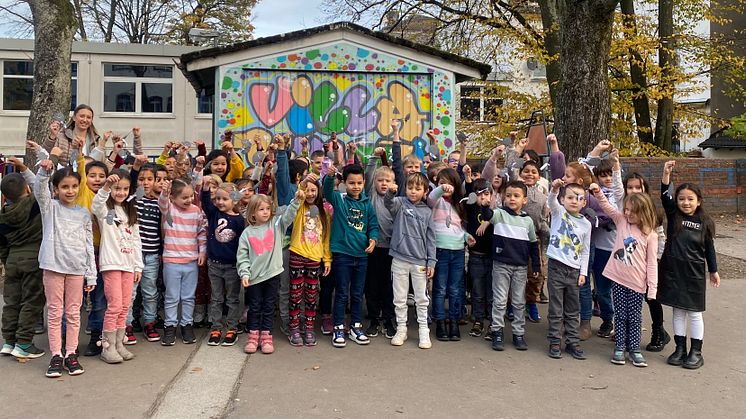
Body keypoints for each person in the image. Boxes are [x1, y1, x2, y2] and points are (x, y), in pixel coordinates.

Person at [34, 160, 97, 376]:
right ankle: (56, 355)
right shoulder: (50, 208)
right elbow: (39, 189)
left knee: (73, 313)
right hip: (53, 266)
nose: (70, 191)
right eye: (64, 187)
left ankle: (71, 353)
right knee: (54, 312)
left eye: (73, 186)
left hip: (77, 269)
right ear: (56, 189)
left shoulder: (84, 214)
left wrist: (91, 275)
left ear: (79, 187)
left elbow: (89, 244)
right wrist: (44, 170)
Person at [657, 161, 720, 370]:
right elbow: (665, 195)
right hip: (673, 272)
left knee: (694, 313)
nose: (685, 203)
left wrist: (714, 271)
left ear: (699, 201)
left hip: (694, 274)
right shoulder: (674, 216)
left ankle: (696, 352)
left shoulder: (705, 223)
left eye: (690, 199)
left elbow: (709, 249)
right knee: (677, 312)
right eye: (681, 199)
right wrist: (666, 174)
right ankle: (680, 348)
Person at [590, 183, 658, 367]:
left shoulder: (650, 234)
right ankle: (620, 346)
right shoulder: (621, 221)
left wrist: (652, 289)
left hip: (637, 283)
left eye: (632, 211)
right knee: (620, 315)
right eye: (626, 210)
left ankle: (634, 349)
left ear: (643, 212)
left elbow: (652, 264)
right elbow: (608, 207)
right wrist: (597, 193)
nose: (627, 214)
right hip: (618, 279)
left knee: (635, 317)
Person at [476, 181, 540, 351]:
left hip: (520, 267)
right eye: (509, 195)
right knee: (499, 300)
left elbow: (534, 244)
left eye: (516, 196)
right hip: (501, 265)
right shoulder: (499, 214)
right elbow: (488, 215)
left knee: (519, 301)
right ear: (504, 197)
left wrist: (536, 266)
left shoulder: (528, 221)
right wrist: (484, 206)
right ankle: (497, 331)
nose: (512, 199)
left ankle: (518, 333)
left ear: (524, 200)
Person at [237, 192, 302, 354]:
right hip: (254, 279)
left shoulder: (276, 225)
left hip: (272, 275)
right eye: (261, 209)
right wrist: (244, 273)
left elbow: (288, 216)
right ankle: (253, 336)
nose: (265, 212)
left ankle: (266, 336)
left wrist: (297, 200)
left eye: (267, 208)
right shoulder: (247, 233)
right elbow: (243, 256)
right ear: (252, 213)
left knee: (269, 307)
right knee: (255, 307)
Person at [323, 163, 379, 348]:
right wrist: (330, 177)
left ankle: (356, 326)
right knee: (341, 293)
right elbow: (327, 192)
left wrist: (373, 239)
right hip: (343, 256)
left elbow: (373, 225)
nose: (356, 186)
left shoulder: (367, 204)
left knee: (357, 294)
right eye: (352, 183)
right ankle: (338, 327)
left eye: (359, 183)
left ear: (364, 183)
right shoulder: (339, 199)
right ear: (345, 183)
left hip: (361, 257)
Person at [91, 170, 143, 364]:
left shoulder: (130, 211)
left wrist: (138, 266)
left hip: (129, 265)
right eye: (116, 188)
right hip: (112, 263)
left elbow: (136, 240)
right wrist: (105, 187)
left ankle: (119, 343)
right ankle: (108, 347)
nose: (120, 192)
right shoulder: (106, 208)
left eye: (125, 189)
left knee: (124, 305)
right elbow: (96, 205)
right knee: (113, 306)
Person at [384, 173, 436, 349]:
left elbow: (431, 239)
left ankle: (423, 331)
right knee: (399, 297)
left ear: (425, 191)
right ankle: (401, 329)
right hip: (399, 258)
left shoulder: (428, 212)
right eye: (410, 187)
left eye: (418, 188)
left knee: (421, 298)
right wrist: (390, 193)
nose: (413, 191)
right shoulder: (399, 203)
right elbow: (388, 203)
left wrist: (431, 262)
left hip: (420, 262)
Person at [0, 159, 45, 360]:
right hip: (33, 259)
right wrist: (49, 160)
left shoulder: (2, 215)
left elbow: (2, 246)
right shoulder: (33, 204)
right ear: (27, 188)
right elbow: (43, 184)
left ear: (4, 196)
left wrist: (6, 261)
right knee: (31, 302)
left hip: (12, 262)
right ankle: (24, 343)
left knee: (12, 302)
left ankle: (9, 342)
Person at [546, 179, 592, 360]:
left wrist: (583, 272)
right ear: (563, 200)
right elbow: (551, 201)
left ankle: (573, 342)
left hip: (574, 271)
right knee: (556, 309)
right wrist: (555, 188)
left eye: (579, 198)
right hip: (556, 267)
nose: (574, 201)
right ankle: (555, 341)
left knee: (573, 310)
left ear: (584, 203)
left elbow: (586, 250)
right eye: (570, 197)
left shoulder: (586, 224)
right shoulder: (559, 213)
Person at [159, 179, 207, 346]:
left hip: (191, 261)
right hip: (172, 261)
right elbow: (162, 203)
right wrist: (165, 192)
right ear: (173, 198)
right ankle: (170, 325)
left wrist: (202, 252)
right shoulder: (169, 210)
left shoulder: (196, 211)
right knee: (172, 296)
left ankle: (187, 324)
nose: (189, 200)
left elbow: (201, 232)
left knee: (188, 296)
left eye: (190, 196)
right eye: (184, 197)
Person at [427, 167, 473, 341]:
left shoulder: (459, 204)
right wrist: (440, 189)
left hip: (458, 251)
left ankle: (453, 321)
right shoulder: (436, 200)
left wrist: (467, 237)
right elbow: (431, 198)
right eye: (441, 182)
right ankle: (440, 322)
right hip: (440, 250)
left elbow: (459, 228)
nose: (445, 186)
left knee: (455, 289)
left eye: (448, 183)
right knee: (439, 289)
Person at [287, 175, 332, 346]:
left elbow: (326, 238)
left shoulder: (324, 212)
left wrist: (327, 259)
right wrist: (303, 184)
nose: (310, 193)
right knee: (295, 295)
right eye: (308, 190)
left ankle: (309, 327)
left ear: (319, 191)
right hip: (297, 254)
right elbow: (297, 195)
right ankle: (294, 328)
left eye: (314, 190)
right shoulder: (300, 206)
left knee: (312, 296)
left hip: (315, 258)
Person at [202, 182, 245, 347]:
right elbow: (206, 203)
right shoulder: (214, 214)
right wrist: (206, 189)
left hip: (232, 266)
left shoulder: (240, 221)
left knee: (232, 299)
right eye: (218, 198)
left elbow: (243, 245)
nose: (220, 202)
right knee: (216, 298)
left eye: (224, 199)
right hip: (214, 265)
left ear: (234, 200)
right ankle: (216, 327)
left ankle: (232, 328)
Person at [128, 162, 166, 343]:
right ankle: (127, 324)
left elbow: (163, 228)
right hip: (132, 255)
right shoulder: (133, 200)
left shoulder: (160, 203)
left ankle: (150, 322)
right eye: (141, 179)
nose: (145, 182)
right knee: (131, 292)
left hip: (152, 254)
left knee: (150, 291)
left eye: (150, 179)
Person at [363, 162, 397, 339]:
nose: (384, 183)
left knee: (389, 287)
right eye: (380, 180)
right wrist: (374, 158)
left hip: (392, 250)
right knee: (373, 286)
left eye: (388, 180)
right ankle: (374, 319)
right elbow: (368, 175)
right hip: (374, 248)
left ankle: (389, 319)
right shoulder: (371, 196)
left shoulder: (396, 199)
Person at [463, 177, 495, 338]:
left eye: (487, 194)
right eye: (480, 195)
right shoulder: (472, 209)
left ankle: (491, 323)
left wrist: (488, 220)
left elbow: (492, 215)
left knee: (491, 293)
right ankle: (478, 320)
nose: (483, 198)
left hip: (491, 259)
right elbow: (469, 193)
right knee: (477, 292)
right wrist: (468, 179)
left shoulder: (493, 213)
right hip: (476, 257)